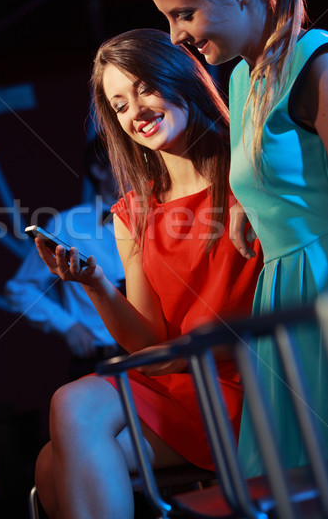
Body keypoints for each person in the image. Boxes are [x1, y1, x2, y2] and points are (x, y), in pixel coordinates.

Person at [33, 28, 262, 519]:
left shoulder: (250, 168)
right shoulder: (132, 212)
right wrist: (93, 284)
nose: (134, 111)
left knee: (70, 416)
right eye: (118, 105)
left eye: (143, 89)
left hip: (254, 381)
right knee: (51, 463)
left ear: (179, 76)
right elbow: (148, 342)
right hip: (182, 379)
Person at [140, 0, 328, 476]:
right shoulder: (244, 79)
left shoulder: (314, 63)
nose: (175, 37)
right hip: (282, 300)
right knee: (289, 483)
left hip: (318, 289)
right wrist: (249, 204)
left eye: (184, 14)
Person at [5, 137, 125, 379]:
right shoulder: (67, 225)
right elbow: (21, 288)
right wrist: (67, 325)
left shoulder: (161, 216)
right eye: (124, 159)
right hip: (100, 362)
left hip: (161, 351)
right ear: (99, 170)